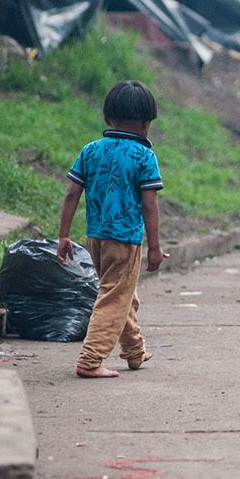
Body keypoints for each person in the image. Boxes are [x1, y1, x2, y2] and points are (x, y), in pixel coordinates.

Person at [58, 81, 167, 379]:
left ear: (108, 118)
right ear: (146, 124)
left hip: (95, 238)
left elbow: (71, 195)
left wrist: (64, 236)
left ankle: (134, 351)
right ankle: (90, 359)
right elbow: (150, 205)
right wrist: (154, 246)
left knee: (123, 295)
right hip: (126, 239)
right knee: (114, 298)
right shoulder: (144, 156)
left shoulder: (90, 151)